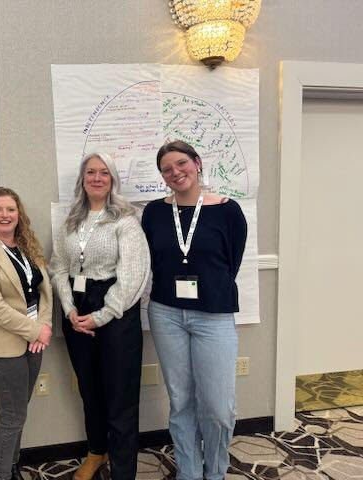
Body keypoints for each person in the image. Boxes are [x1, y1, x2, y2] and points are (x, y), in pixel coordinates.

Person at [141, 140, 247, 480]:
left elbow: (232, 262)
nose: (176, 172)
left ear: (197, 163)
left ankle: (214, 472)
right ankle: (188, 471)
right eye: (167, 169)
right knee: (181, 400)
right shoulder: (154, 212)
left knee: (217, 407)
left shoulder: (228, 210)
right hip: (166, 313)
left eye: (181, 163)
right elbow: (153, 261)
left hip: (213, 316)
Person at [49, 152, 149, 480]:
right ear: (82, 179)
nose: (96, 177)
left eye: (103, 172)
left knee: (120, 397)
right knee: (89, 390)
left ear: (112, 179)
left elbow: (133, 276)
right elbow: (58, 266)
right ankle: (96, 451)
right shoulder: (71, 220)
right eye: (90, 172)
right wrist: (69, 309)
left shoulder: (126, 220)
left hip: (116, 313)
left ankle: (123, 470)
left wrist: (102, 315)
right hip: (77, 309)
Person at [0, 187, 53, 480]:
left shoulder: (27, 244)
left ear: (19, 215)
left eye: (10, 210)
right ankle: (1, 474)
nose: (5, 215)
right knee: (13, 415)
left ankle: (11, 465)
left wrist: (45, 326)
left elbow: (44, 290)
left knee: (20, 413)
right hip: (2, 346)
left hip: (34, 342)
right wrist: (36, 330)